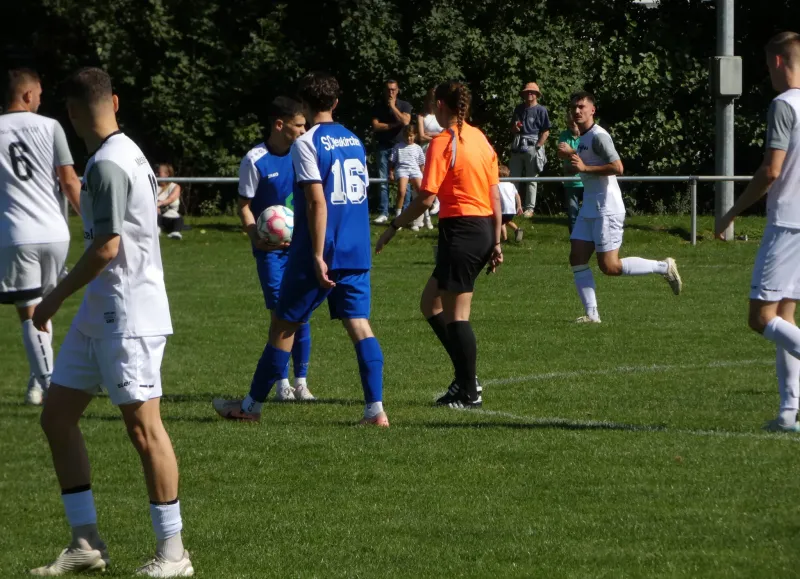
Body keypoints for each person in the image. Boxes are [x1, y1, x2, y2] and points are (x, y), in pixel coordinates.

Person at [30, 67, 193, 577]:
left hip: (128, 314)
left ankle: (174, 553)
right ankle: (86, 542)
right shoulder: (126, 152)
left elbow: (107, 247)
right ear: (116, 102)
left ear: (73, 113)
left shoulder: (106, 165)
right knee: (56, 416)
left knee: (145, 430)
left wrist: (53, 297)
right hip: (102, 311)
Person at [213, 71, 389, 427]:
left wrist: (317, 254)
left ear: (305, 106)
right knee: (360, 326)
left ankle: (249, 408)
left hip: (321, 250)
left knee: (283, 326)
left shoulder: (307, 143)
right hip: (357, 247)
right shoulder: (355, 140)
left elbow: (315, 203)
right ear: (336, 103)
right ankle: (375, 411)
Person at [376, 80, 502, 409]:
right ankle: (465, 378)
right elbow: (494, 195)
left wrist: (394, 225)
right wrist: (497, 238)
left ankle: (469, 390)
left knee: (457, 315)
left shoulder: (444, 143)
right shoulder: (480, 139)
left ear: (441, 106)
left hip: (462, 230)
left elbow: (426, 197)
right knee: (430, 303)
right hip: (482, 228)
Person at [715, 31, 800, 432]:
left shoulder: (784, 105)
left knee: (760, 317)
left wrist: (731, 211)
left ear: (779, 62)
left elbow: (771, 170)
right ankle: (788, 412)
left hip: (787, 223)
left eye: (768, 65)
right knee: (785, 314)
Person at [0, 68, 81, 406]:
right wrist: (91, 225)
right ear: (28, 95)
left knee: (29, 312)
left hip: (18, 235)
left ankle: (50, 387)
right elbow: (69, 181)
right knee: (44, 311)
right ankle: (38, 382)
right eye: (40, 94)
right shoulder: (51, 127)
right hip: (56, 233)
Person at [568, 91, 682, 324]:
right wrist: (571, 156)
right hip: (590, 206)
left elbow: (618, 167)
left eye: (581, 107)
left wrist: (584, 168)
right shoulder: (582, 138)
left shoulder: (600, 136)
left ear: (592, 110)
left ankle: (664, 267)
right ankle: (592, 315)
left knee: (609, 266)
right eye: (574, 108)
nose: (577, 111)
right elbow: (584, 166)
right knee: (577, 258)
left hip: (606, 207)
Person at [237, 96, 315, 402]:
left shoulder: (303, 154)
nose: (304, 129)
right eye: (299, 125)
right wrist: (256, 235)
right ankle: (281, 382)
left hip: (301, 248)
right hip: (270, 252)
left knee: (302, 314)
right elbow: (243, 206)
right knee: (280, 315)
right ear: (280, 125)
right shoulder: (254, 159)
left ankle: (302, 381)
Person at [371, 79, 412, 224]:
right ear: (384, 90)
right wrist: (395, 124)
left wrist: (393, 107)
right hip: (384, 146)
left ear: (398, 90)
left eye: (393, 89)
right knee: (383, 180)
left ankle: (405, 212)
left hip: (401, 147)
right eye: (388, 89)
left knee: (404, 180)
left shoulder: (404, 105)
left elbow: (406, 121)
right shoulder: (378, 106)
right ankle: (384, 212)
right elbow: (376, 126)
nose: (391, 92)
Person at [510, 82, 550, 218]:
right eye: (527, 92)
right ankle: (513, 206)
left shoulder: (541, 110)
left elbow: (546, 131)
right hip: (518, 144)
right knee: (514, 178)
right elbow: (512, 129)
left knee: (532, 179)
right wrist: (515, 128)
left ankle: (529, 209)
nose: (529, 94)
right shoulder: (519, 109)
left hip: (533, 144)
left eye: (532, 92)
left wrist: (538, 146)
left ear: (537, 94)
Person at [389, 123, 430, 230]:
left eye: (411, 136)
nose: (409, 138)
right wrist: (391, 172)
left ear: (415, 135)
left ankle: (427, 218)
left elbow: (421, 164)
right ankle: (398, 219)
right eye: (407, 136)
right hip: (402, 169)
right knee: (402, 191)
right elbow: (392, 162)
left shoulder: (417, 148)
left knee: (421, 193)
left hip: (415, 169)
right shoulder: (398, 147)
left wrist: (424, 175)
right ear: (403, 136)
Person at [417, 86, 443, 218]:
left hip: (440, 147)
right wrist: (438, 135)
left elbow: (446, 133)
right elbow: (421, 136)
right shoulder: (422, 116)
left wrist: (432, 135)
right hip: (426, 149)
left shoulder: (441, 115)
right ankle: (432, 201)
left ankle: (439, 201)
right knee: (426, 175)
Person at [557, 112, 584, 233]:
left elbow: (589, 155)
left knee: (590, 214)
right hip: (570, 182)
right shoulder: (564, 135)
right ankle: (574, 240)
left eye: (575, 122)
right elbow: (560, 153)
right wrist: (577, 154)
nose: (573, 124)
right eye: (570, 122)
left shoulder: (587, 135)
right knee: (572, 215)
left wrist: (570, 151)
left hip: (586, 180)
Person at [155, 163, 184, 240]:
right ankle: (156, 229)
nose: (156, 174)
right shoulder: (153, 186)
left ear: (167, 174)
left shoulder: (175, 187)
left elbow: (170, 199)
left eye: (159, 172)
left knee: (178, 218)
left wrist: (158, 204)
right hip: (156, 216)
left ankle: (175, 232)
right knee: (155, 212)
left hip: (170, 217)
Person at [498, 165, 523, 242]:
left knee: (501, 222)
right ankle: (515, 231)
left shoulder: (497, 185)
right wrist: (519, 206)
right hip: (511, 210)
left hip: (503, 209)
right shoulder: (511, 185)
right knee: (506, 221)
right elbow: (517, 195)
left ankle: (506, 237)